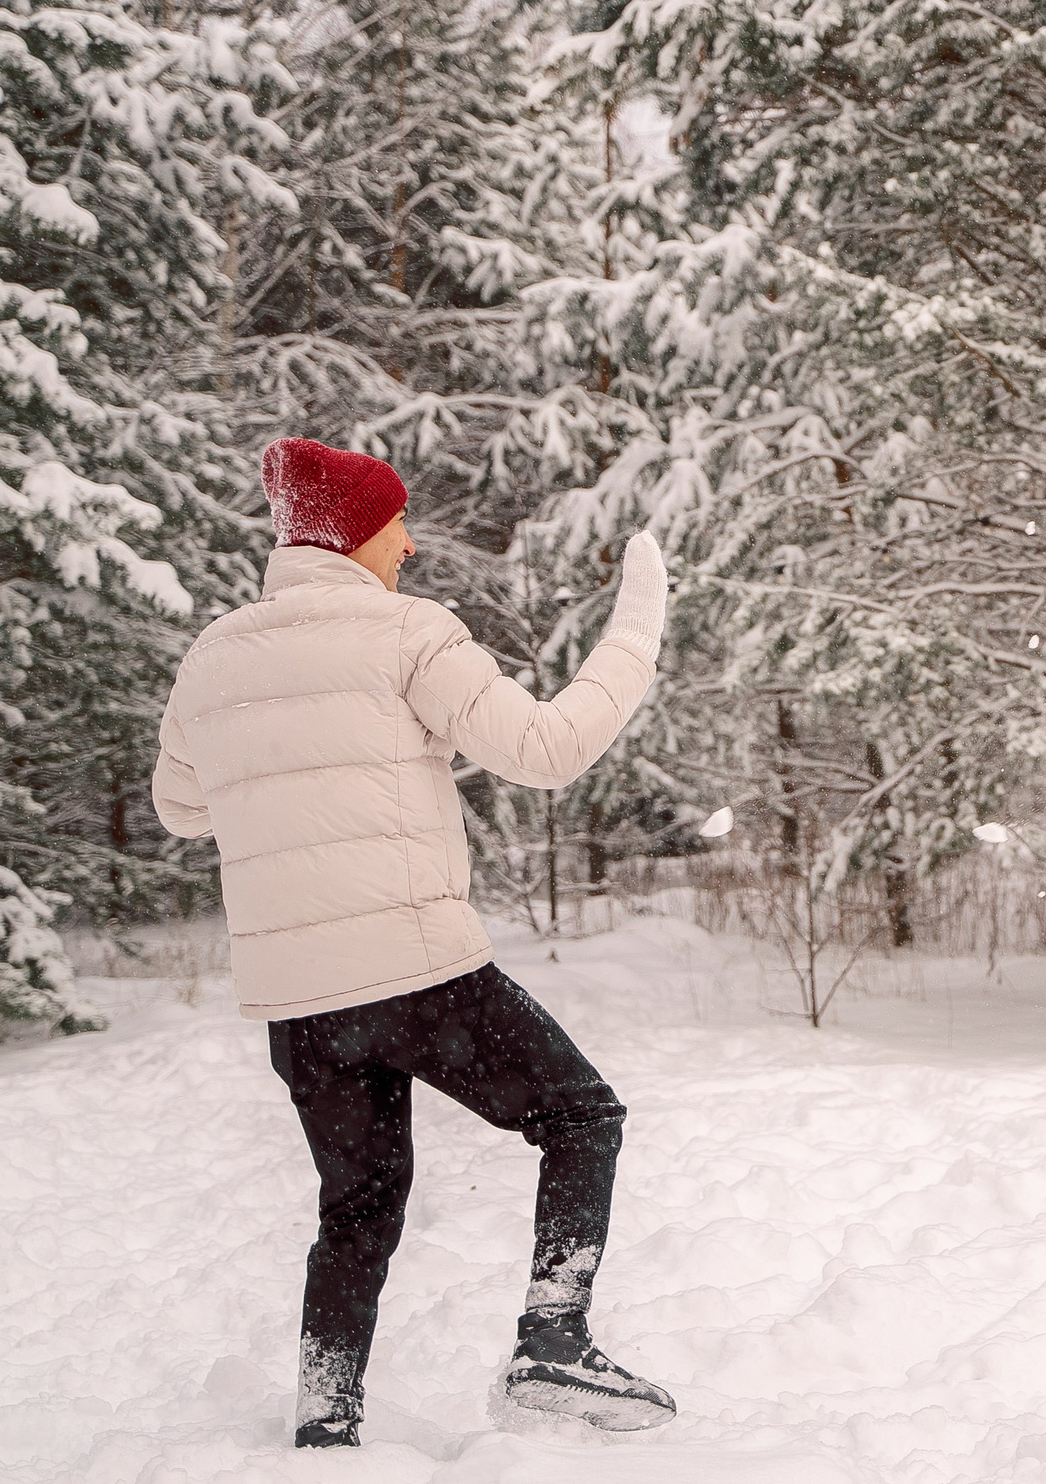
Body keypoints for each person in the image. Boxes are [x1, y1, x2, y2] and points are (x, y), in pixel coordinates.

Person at [151, 438, 677, 1446]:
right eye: (397, 523)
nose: (412, 540)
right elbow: (548, 748)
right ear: (355, 532)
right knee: (580, 1114)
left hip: (299, 1005)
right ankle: (553, 1338)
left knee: (358, 1204)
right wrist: (639, 629)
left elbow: (179, 806)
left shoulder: (215, 652)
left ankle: (325, 1414)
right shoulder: (409, 632)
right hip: (419, 974)